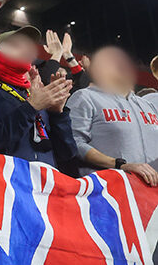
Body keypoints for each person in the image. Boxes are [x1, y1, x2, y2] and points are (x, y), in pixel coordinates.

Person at [0, 25, 78, 171]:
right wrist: (31, 107)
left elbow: (67, 153)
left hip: (43, 187)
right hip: (3, 186)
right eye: (15, 45)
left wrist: (56, 114)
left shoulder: (32, 93)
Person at [67, 46, 158, 185]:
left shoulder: (148, 105)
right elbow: (73, 143)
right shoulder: (85, 97)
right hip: (108, 192)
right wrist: (119, 164)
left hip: (151, 196)